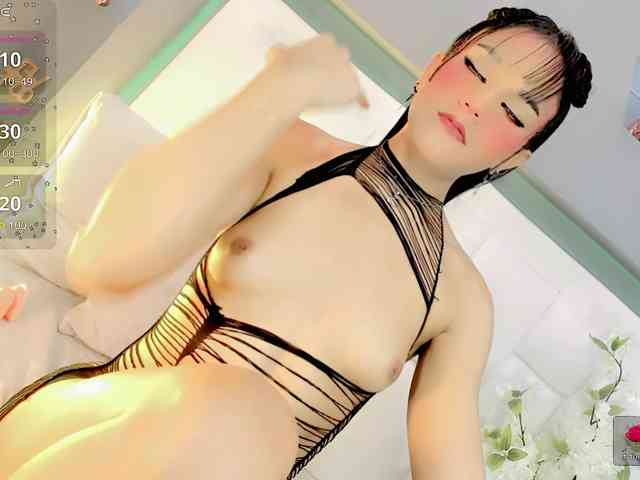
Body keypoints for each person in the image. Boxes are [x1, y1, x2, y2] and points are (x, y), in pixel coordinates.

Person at [0, 7, 592, 480]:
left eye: (512, 112)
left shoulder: (460, 301)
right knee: (241, 415)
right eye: (477, 71)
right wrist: (276, 89)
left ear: (514, 158)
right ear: (434, 67)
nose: (477, 103)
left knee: (251, 431)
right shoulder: (292, 147)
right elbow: (101, 259)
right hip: (84, 429)